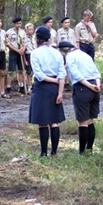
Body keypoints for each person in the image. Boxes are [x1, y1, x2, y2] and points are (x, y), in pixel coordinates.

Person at [29, 26, 66, 157]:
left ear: (37, 38)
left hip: (41, 87)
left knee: (43, 122)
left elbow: (39, 75)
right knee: (54, 121)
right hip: (55, 88)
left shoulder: (35, 53)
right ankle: (54, 152)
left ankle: (44, 153)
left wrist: (55, 82)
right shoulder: (57, 53)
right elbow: (62, 73)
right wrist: (60, 92)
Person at [65, 40, 101, 154]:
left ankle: (81, 150)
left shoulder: (70, 56)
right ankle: (89, 149)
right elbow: (96, 72)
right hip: (94, 87)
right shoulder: (86, 55)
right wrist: (97, 86)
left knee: (83, 121)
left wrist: (89, 86)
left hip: (83, 87)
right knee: (90, 120)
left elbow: (76, 74)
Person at [5, 17, 26, 95]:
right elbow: (8, 44)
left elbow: (25, 42)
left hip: (21, 53)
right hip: (13, 52)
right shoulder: (9, 32)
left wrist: (23, 49)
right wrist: (17, 50)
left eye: (20, 23)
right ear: (14, 24)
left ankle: (21, 86)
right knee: (11, 71)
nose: (19, 25)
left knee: (21, 70)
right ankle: (8, 87)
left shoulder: (23, 32)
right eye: (17, 23)